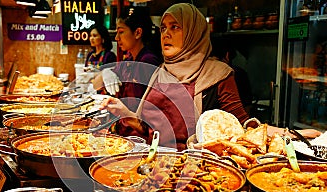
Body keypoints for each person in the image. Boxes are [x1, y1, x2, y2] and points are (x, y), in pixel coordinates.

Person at [100, 3, 320, 150]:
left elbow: (244, 126)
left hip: (190, 172)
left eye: (175, 27)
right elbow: (148, 127)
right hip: (149, 162)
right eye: (164, 28)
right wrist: (125, 113)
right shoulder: (160, 72)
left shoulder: (218, 74)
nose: (166, 34)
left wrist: (291, 134)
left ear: (194, 32)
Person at [92, 7, 162, 136]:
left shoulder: (148, 62)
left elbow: (151, 115)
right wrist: (105, 73)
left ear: (137, 33)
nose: (117, 38)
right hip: (123, 131)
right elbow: (95, 84)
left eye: (121, 32)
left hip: (139, 136)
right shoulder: (128, 60)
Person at [211, 39, 253, 114]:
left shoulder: (198, 73)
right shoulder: (231, 73)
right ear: (227, 55)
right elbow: (247, 106)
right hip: (232, 121)